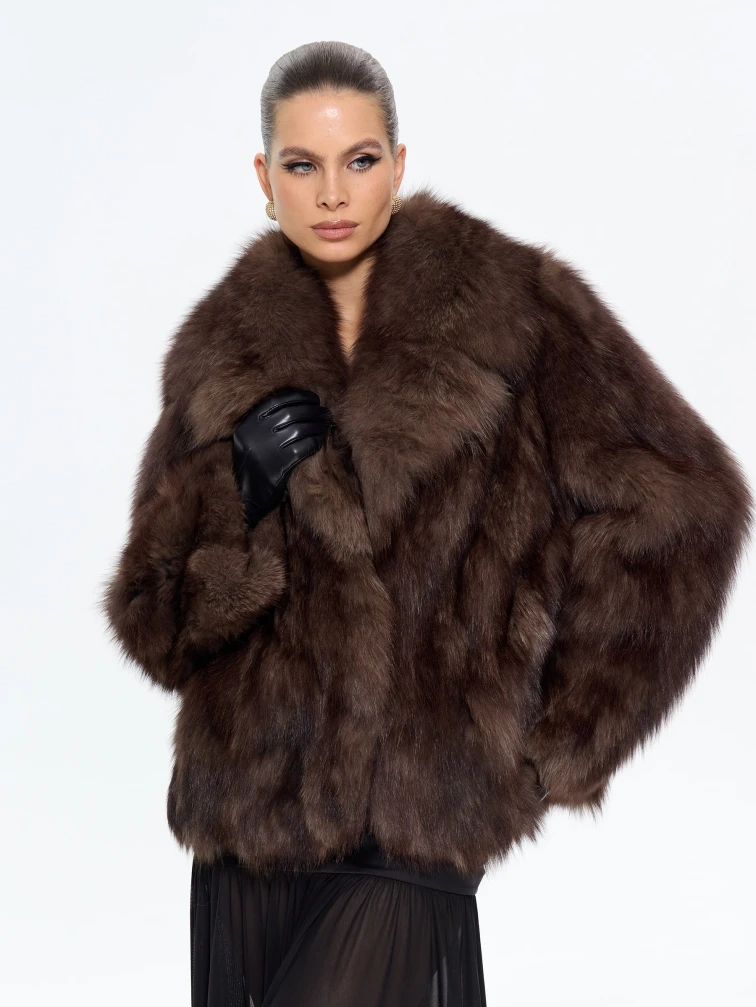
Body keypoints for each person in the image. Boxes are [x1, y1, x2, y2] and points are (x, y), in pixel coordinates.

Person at [100, 39, 753, 1007]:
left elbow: (689, 502)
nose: (333, 193)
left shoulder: (517, 310)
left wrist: (562, 737)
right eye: (302, 164)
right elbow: (156, 626)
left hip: (421, 814)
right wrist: (236, 487)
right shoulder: (216, 352)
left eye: (359, 159)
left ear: (398, 165)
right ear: (265, 179)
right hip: (252, 818)